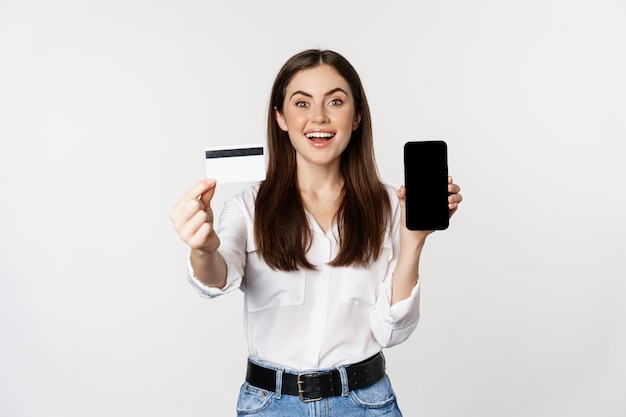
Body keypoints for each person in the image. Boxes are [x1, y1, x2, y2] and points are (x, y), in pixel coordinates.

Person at [170, 49, 462, 416]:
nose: (319, 117)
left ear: (356, 117)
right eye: (302, 103)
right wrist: (202, 249)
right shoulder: (247, 207)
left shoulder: (390, 205)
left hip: (365, 403)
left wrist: (414, 241)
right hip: (270, 406)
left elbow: (392, 331)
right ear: (280, 117)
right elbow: (215, 278)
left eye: (335, 101)